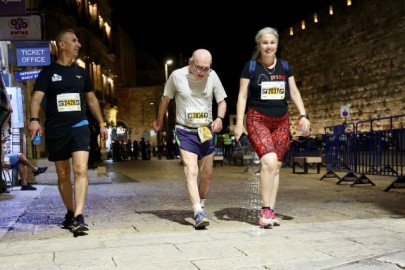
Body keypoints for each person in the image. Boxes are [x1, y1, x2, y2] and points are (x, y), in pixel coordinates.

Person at [28, 29, 108, 234]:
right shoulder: (48, 73)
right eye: (74, 40)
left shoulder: (81, 73)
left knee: (80, 170)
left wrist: (101, 123)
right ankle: (71, 212)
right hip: (56, 129)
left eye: (78, 40)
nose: (78, 44)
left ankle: (79, 215)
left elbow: (91, 99)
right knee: (63, 174)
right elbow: (36, 98)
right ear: (62, 45)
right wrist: (35, 120)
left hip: (79, 126)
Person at [234, 27, 310, 228]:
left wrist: (303, 115)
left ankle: (271, 210)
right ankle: (265, 210)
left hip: (281, 120)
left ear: (277, 45)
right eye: (265, 43)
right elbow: (242, 96)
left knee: (275, 166)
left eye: (272, 43)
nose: (269, 46)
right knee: (267, 161)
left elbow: (293, 92)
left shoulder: (284, 66)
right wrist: (239, 123)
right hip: (257, 118)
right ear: (259, 45)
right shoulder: (250, 67)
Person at [153, 49, 227, 229]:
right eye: (199, 68)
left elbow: (222, 102)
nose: (202, 72)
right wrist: (159, 120)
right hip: (184, 130)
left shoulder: (213, 76)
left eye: (206, 69)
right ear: (190, 62)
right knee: (191, 168)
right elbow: (165, 99)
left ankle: (200, 206)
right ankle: (197, 212)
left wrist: (219, 118)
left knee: (207, 174)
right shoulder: (177, 76)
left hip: (206, 130)